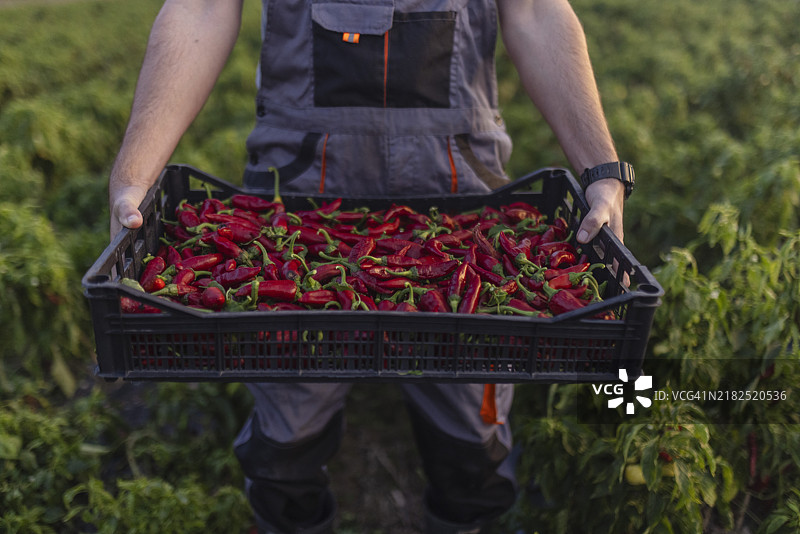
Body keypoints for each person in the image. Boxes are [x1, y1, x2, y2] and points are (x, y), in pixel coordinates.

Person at [108, 1, 633, 532]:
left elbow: (537, 11)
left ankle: (460, 517)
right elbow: (201, 8)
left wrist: (602, 168)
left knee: (472, 439)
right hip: (299, 201)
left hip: (461, 203)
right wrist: (135, 176)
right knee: (285, 438)